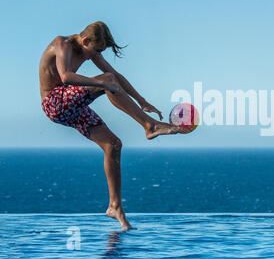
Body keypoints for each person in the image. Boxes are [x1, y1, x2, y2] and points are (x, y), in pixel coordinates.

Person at [39, 21, 182, 230]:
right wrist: (103, 83)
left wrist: (141, 100)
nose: (95, 55)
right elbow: (66, 77)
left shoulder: (89, 49)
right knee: (106, 80)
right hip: (55, 102)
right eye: (96, 50)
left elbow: (116, 76)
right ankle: (150, 126)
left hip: (71, 107)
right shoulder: (62, 45)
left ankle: (115, 207)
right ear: (86, 40)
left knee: (113, 144)